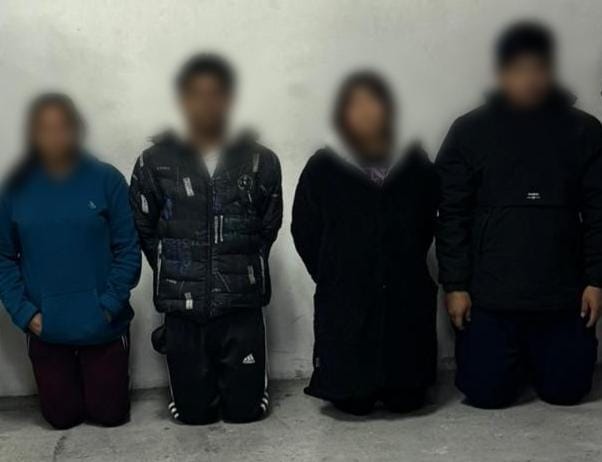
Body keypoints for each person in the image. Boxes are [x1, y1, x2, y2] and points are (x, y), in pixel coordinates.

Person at [436, 21, 602, 409]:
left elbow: (599, 211)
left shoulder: (584, 131)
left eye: (538, 68)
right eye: (518, 69)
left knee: (567, 393)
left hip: (561, 296)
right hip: (492, 298)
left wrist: (596, 280)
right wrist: (455, 286)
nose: (529, 79)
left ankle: (540, 359)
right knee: (485, 394)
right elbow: (451, 215)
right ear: (501, 73)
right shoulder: (469, 131)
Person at [130, 54, 283, 425]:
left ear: (229, 100)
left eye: (215, 93)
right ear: (183, 101)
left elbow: (268, 226)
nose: (206, 103)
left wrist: (241, 268)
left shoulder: (260, 161)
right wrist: (178, 266)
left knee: (246, 414)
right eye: (197, 94)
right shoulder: (154, 162)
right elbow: (145, 228)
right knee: (193, 416)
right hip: (183, 309)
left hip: (241, 306)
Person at [291, 72, 439, 416]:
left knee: (407, 401)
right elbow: (305, 230)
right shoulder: (323, 167)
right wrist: (333, 272)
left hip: (405, 291)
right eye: (355, 105)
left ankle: (403, 381)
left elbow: (428, 222)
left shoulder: (415, 164)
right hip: (346, 296)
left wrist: (397, 260)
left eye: (373, 103)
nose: (366, 112)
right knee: (352, 403)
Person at [0, 94, 141, 429]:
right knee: (61, 419)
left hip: (103, 326)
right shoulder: (13, 190)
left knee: (109, 416)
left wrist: (108, 306)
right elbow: (3, 259)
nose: (55, 137)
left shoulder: (107, 180)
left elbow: (128, 250)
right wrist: (27, 315)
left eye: (63, 127)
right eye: (45, 129)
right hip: (47, 328)